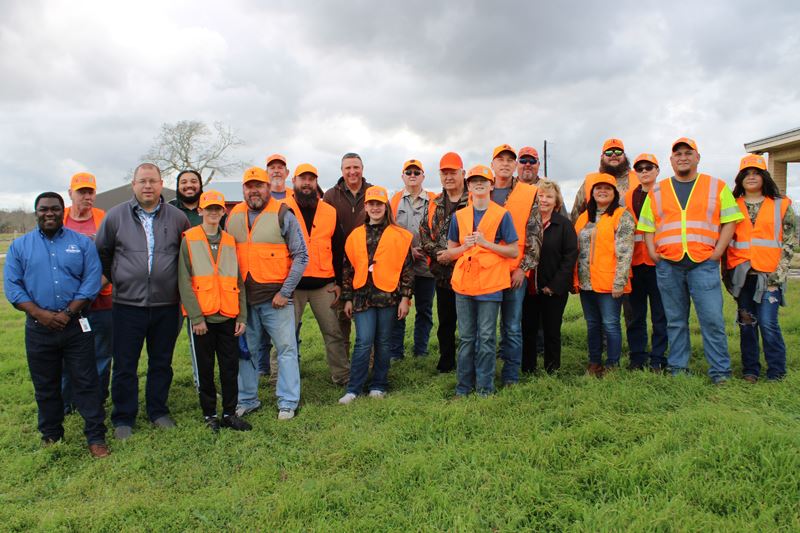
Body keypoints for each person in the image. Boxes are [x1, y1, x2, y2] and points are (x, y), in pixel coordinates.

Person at [4, 192, 109, 457]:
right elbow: (13, 287)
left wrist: (69, 312)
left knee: (87, 382)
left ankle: (96, 437)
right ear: (36, 212)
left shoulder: (81, 244)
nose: (49, 213)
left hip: (76, 326)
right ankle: (51, 434)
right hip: (39, 328)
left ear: (64, 211)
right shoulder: (20, 247)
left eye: (54, 209)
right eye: (43, 209)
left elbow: (91, 279)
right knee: (45, 385)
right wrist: (41, 314)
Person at [637, 138, 744, 384]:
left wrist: (717, 252)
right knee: (675, 322)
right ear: (671, 160)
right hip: (669, 264)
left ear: (697, 157)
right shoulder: (657, 190)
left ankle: (720, 373)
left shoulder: (716, 186)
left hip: (703, 264)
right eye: (678, 154)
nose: (683, 157)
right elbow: (647, 225)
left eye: (688, 153)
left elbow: (730, 220)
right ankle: (678, 370)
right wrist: (654, 253)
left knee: (712, 320)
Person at [96, 163, 190, 439]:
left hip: (166, 305)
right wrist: (119, 278)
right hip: (127, 305)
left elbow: (185, 257)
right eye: (142, 181)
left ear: (161, 184)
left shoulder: (177, 218)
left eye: (152, 181)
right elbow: (102, 253)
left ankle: (158, 410)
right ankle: (124, 417)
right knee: (125, 364)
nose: (147, 186)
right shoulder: (115, 217)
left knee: (161, 362)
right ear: (133, 185)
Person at [226, 167, 308, 420]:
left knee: (286, 349)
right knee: (246, 352)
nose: (254, 190)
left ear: (268, 187)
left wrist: (286, 292)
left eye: (259, 185)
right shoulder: (233, 216)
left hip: (276, 299)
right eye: (249, 186)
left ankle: (288, 401)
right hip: (243, 300)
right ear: (243, 189)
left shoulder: (284, 213)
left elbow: (301, 255)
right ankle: (248, 399)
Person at [178, 190, 251, 432]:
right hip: (203, 319)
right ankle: (210, 415)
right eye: (208, 208)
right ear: (200, 211)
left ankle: (230, 413)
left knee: (230, 367)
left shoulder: (230, 241)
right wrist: (196, 317)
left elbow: (238, 280)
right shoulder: (189, 238)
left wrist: (241, 315)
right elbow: (184, 281)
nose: (212, 213)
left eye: (216, 209)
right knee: (206, 368)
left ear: (223, 212)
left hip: (228, 315)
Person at [448, 165, 519, 396]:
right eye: (474, 181)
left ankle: (485, 389)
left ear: (491, 185)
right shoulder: (459, 216)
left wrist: (487, 244)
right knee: (467, 338)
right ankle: (463, 388)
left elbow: (513, 252)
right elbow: (450, 252)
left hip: (490, 285)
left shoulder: (502, 214)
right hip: (464, 284)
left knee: (487, 338)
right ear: (469, 185)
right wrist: (464, 247)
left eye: (484, 180)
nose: (479, 184)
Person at [338, 186, 413, 404]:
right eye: (371, 204)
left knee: (383, 342)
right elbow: (347, 269)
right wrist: (348, 298)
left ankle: (379, 385)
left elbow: (407, 269)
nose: (375, 208)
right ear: (366, 207)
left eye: (379, 204)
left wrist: (405, 298)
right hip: (362, 297)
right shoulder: (355, 236)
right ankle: (354, 388)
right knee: (363, 341)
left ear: (385, 206)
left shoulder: (400, 235)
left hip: (389, 296)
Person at [724, 154, 795, 382]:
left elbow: (789, 241)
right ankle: (750, 370)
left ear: (764, 176)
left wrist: (779, 273)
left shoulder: (781, 204)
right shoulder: (731, 206)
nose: (751, 177)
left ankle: (776, 372)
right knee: (747, 323)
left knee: (768, 323)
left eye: (756, 173)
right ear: (740, 179)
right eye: (747, 174)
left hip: (770, 276)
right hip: (742, 277)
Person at [285, 163, 350, 385]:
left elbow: (339, 249)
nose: (306, 183)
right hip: (292, 286)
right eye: (302, 179)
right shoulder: (282, 208)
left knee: (334, 332)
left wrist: (339, 282)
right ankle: (279, 378)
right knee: (285, 337)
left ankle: (342, 375)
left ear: (316, 182)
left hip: (324, 285)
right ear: (294, 181)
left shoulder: (329, 211)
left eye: (311, 179)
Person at [489, 144, 542, 387]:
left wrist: (524, 268)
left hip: (514, 272)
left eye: (510, 160)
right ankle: (486, 374)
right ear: (493, 164)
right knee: (486, 329)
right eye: (501, 159)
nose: (506, 163)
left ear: (515, 166)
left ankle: (511, 376)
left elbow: (535, 235)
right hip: (485, 273)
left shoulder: (527, 193)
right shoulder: (480, 191)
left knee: (511, 327)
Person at [574, 174, 635, 376]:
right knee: (592, 325)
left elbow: (625, 252)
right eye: (598, 188)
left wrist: (619, 282)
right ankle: (594, 362)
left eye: (607, 188)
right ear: (591, 193)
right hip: (586, 283)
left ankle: (612, 364)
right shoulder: (584, 218)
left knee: (610, 324)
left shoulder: (621, 215)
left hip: (610, 283)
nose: (602, 191)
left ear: (615, 193)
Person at [61, 172, 113, 410]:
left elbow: (113, 258)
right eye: (81, 192)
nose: (86, 196)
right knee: (66, 353)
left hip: (100, 299)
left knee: (101, 354)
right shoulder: (57, 218)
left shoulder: (105, 219)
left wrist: (91, 291)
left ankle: (97, 399)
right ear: (70, 193)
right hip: (65, 302)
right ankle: (67, 401)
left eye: (90, 192)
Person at [419, 152, 470, 373]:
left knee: (470, 325)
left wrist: (454, 254)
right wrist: (442, 254)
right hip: (442, 274)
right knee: (446, 322)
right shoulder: (434, 203)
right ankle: (446, 362)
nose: (448, 177)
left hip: (470, 272)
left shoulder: (474, 199)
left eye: (453, 172)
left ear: (463, 173)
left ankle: (470, 363)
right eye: (444, 173)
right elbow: (424, 234)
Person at [521, 180, 577, 374]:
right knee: (527, 330)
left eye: (548, 196)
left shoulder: (564, 225)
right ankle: (527, 368)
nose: (543, 200)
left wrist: (554, 285)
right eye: (540, 196)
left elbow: (570, 257)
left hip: (554, 288)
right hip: (528, 286)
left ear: (556, 202)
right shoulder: (526, 222)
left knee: (552, 331)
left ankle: (552, 370)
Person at [323, 153, 374, 357]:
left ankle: (368, 364)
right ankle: (344, 367)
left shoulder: (373, 192)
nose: (352, 172)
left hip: (367, 265)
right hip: (338, 265)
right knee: (340, 319)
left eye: (356, 167)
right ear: (342, 171)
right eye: (348, 168)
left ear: (362, 168)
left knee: (366, 319)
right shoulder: (330, 196)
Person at [388, 159, 437, 359]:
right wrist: (408, 250)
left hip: (426, 266)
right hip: (401, 266)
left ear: (423, 176)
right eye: (408, 172)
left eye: (417, 172)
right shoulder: (394, 200)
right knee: (398, 309)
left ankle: (420, 351)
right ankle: (395, 352)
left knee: (424, 310)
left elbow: (439, 231)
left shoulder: (435, 199)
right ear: (403, 176)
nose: (412, 175)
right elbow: (390, 231)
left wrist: (424, 250)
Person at [624, 154, 668, 371]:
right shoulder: (627, 197)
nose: (644, 171)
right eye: (639, 168)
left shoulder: (667, 194)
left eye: (648, 167)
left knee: (661, 315)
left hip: (660, 262)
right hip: (634, 264)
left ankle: (658, 358)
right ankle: (637, 357)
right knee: (635, 315)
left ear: (657, 170)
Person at [570, 138, 640, 223]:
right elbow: (576, 214)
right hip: (597, 234)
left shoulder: (639, 178)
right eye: (608, 152)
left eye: (618, 152)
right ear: (602, 157)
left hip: (630, 233)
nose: (614, 155)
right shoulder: (590, 180)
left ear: (624, 156)